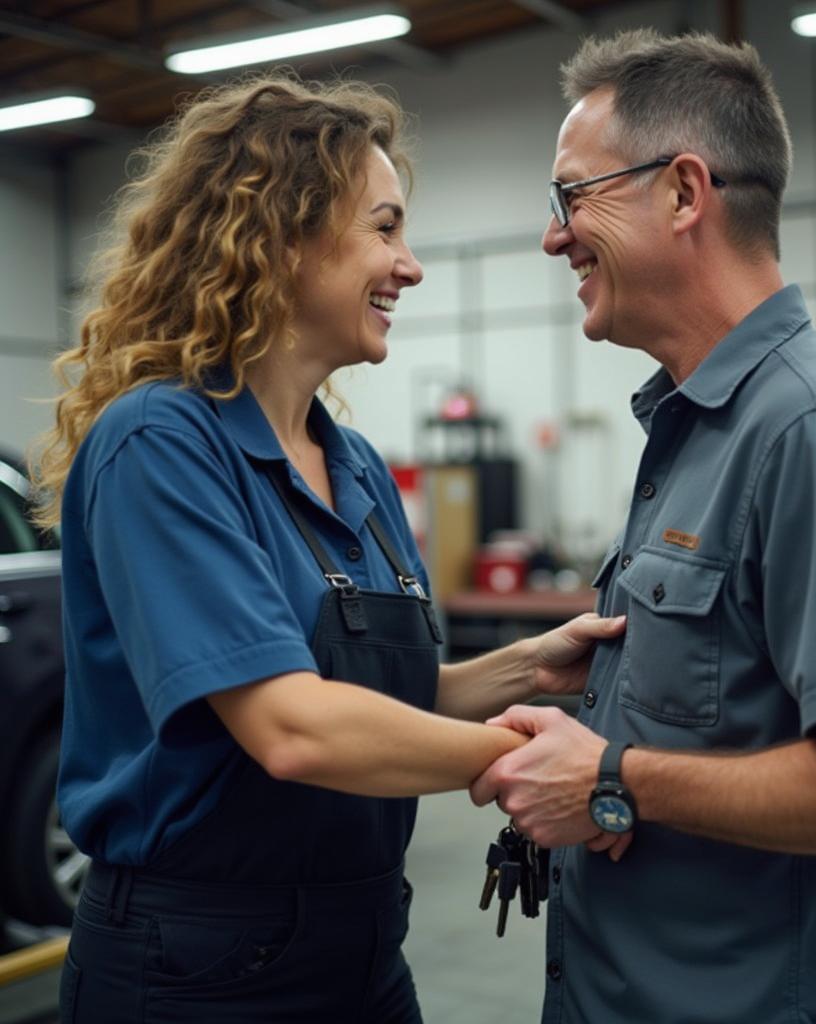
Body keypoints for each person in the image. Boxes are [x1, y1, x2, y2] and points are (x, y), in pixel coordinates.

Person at [33, 76, 624, 1023]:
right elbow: (293, 726)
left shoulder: (351, 465)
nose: (411, 266)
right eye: (384, 229)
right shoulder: (160, 445)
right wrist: (525, 766)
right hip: (198, 966)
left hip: (362, 947)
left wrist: (524, 669)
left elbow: (371, 701)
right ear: (281, 234)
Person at [471, 29, 816, 1024]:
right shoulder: (693, 431)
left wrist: (609, 777)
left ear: (684, 192)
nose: (553, 237)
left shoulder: (810, 430)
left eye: (572, 197)